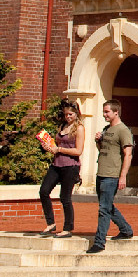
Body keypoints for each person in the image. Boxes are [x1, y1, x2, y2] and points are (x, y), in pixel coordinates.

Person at [87, 99, 134, 253]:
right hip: (101, 173)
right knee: (106, 206)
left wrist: (123, 177)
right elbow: (104, 150)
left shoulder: (123, 130)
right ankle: (126, 230)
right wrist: (98, 141)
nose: (104, 115)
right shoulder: (107, 129)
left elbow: (128, 155)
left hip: (111, 175)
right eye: (104, 111)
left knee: (103, 209)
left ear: (116, 112)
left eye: (107, 112)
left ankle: (99, 242)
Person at [38, 99, 85, 238]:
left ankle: (67, 228)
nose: (68, 117)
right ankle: (50, 223)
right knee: (44, 191)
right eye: (66, 114)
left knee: (65, 197)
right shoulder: (62, 126)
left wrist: (59, 149)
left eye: (71, 114)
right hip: (56, 164)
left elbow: (78, 151)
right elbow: (56, 144)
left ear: (76, 114)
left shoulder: (79, 128)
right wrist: (48, 146)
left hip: (70, 166)